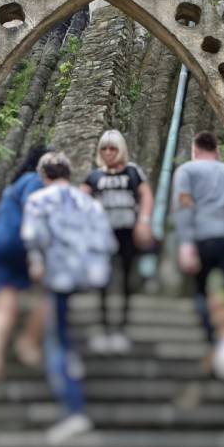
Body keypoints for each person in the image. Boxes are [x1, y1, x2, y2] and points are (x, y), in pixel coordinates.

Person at [21, 151, 117, 444]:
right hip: (90, 275)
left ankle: (74, 409)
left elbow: (32, 236)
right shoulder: (88, 202)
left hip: (58, 275)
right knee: (63, 336)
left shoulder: (38, 200)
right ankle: (73, 363)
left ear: (43, 176)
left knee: (56, 340)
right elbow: (106, 241)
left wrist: (37, 261)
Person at [0, 145, 51, 380]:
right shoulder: (35, 181)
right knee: (51, 294)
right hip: (21, 244)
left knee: (3, 305)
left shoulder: (13, 186)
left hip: (0, 244)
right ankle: (27, 343)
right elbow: (34, 210)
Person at [172, 131, 224, 352]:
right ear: (217, 151)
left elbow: (183, 206)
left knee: (200, 290)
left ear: (194, 150)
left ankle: (210, 339)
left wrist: (186, 243)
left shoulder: (186, 170)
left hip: (201, 238)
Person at [81, 129, 154, 354]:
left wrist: (143, 221)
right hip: (102, 235)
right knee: (102, 281)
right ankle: (104, 329)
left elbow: (146, 195)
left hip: (127, 231)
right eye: (104, 148)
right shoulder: (94, 176)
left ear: (121, 149)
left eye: (113, 148)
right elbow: (80, 200)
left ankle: (121, 329)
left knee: (125, 279)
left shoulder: (133, 172)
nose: (109, 152)